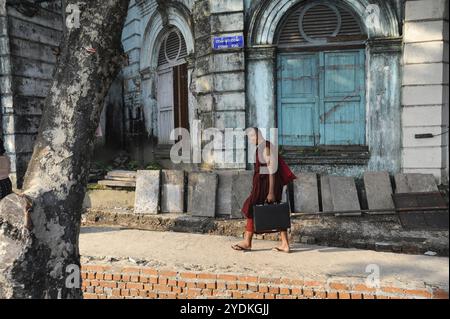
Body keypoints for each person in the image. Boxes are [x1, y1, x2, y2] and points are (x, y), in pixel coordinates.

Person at [232, 128, 296, 253]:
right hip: (264, 184)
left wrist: (271, 191)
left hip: (265, 186)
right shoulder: (264, 146)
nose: (250, 140)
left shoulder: (265, 147)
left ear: (257, 134)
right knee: (277, 212)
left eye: (251, 137)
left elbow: (271, 168)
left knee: (250, 207)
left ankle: (247, 242)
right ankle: (285, 244)